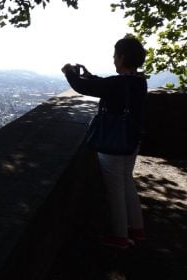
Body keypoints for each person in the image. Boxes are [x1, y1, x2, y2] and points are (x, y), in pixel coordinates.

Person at [61, 35, 148, 249]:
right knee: (127, 183)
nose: (113, 59)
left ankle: (120, 236)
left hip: (113, 142)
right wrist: (89, 74)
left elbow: (85, 88)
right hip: (132, 139)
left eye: (115, 55)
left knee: (115, 189)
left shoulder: (118, 83)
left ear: (122, 57)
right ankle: (137, 229)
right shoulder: (138, 81)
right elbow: (104, 85)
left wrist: (70, 73)